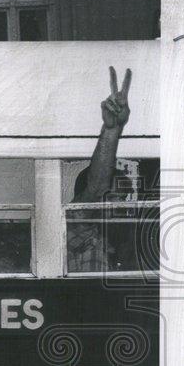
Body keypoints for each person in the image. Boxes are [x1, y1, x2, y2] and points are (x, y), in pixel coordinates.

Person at [67, 67, 134, 272]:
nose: (120, 204)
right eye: (113, 196)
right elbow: (97, 189)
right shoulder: (80, 227)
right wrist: (111, 130)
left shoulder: (117, 238)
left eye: (122, 197)